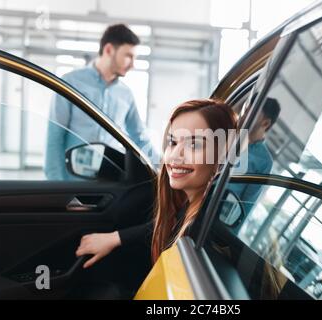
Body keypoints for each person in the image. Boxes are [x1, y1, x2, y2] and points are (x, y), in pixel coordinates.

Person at [75, 99, 238, 268]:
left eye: (194, 145)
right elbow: (170, 224)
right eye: (173, 142)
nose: (175, 155)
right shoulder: (192, 210)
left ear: (223, 156)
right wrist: (115, 238)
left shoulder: (202, 229)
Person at [45, 24, 157, 180]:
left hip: (111, 182)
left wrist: (162, 167)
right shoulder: (70, 83)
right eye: (128, 56)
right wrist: (56, 186)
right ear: (109, 50)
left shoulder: (126, 94)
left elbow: (139, 137)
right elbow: (55, 136)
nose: (132, 64)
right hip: (74, 181)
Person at [226, 97, 281, 232]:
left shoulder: (264, 161)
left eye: (251, 113)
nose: (244, 116)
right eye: (245, 111)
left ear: (266, 123)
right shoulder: (227, 135)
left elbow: (246, 205)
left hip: (216, 220)